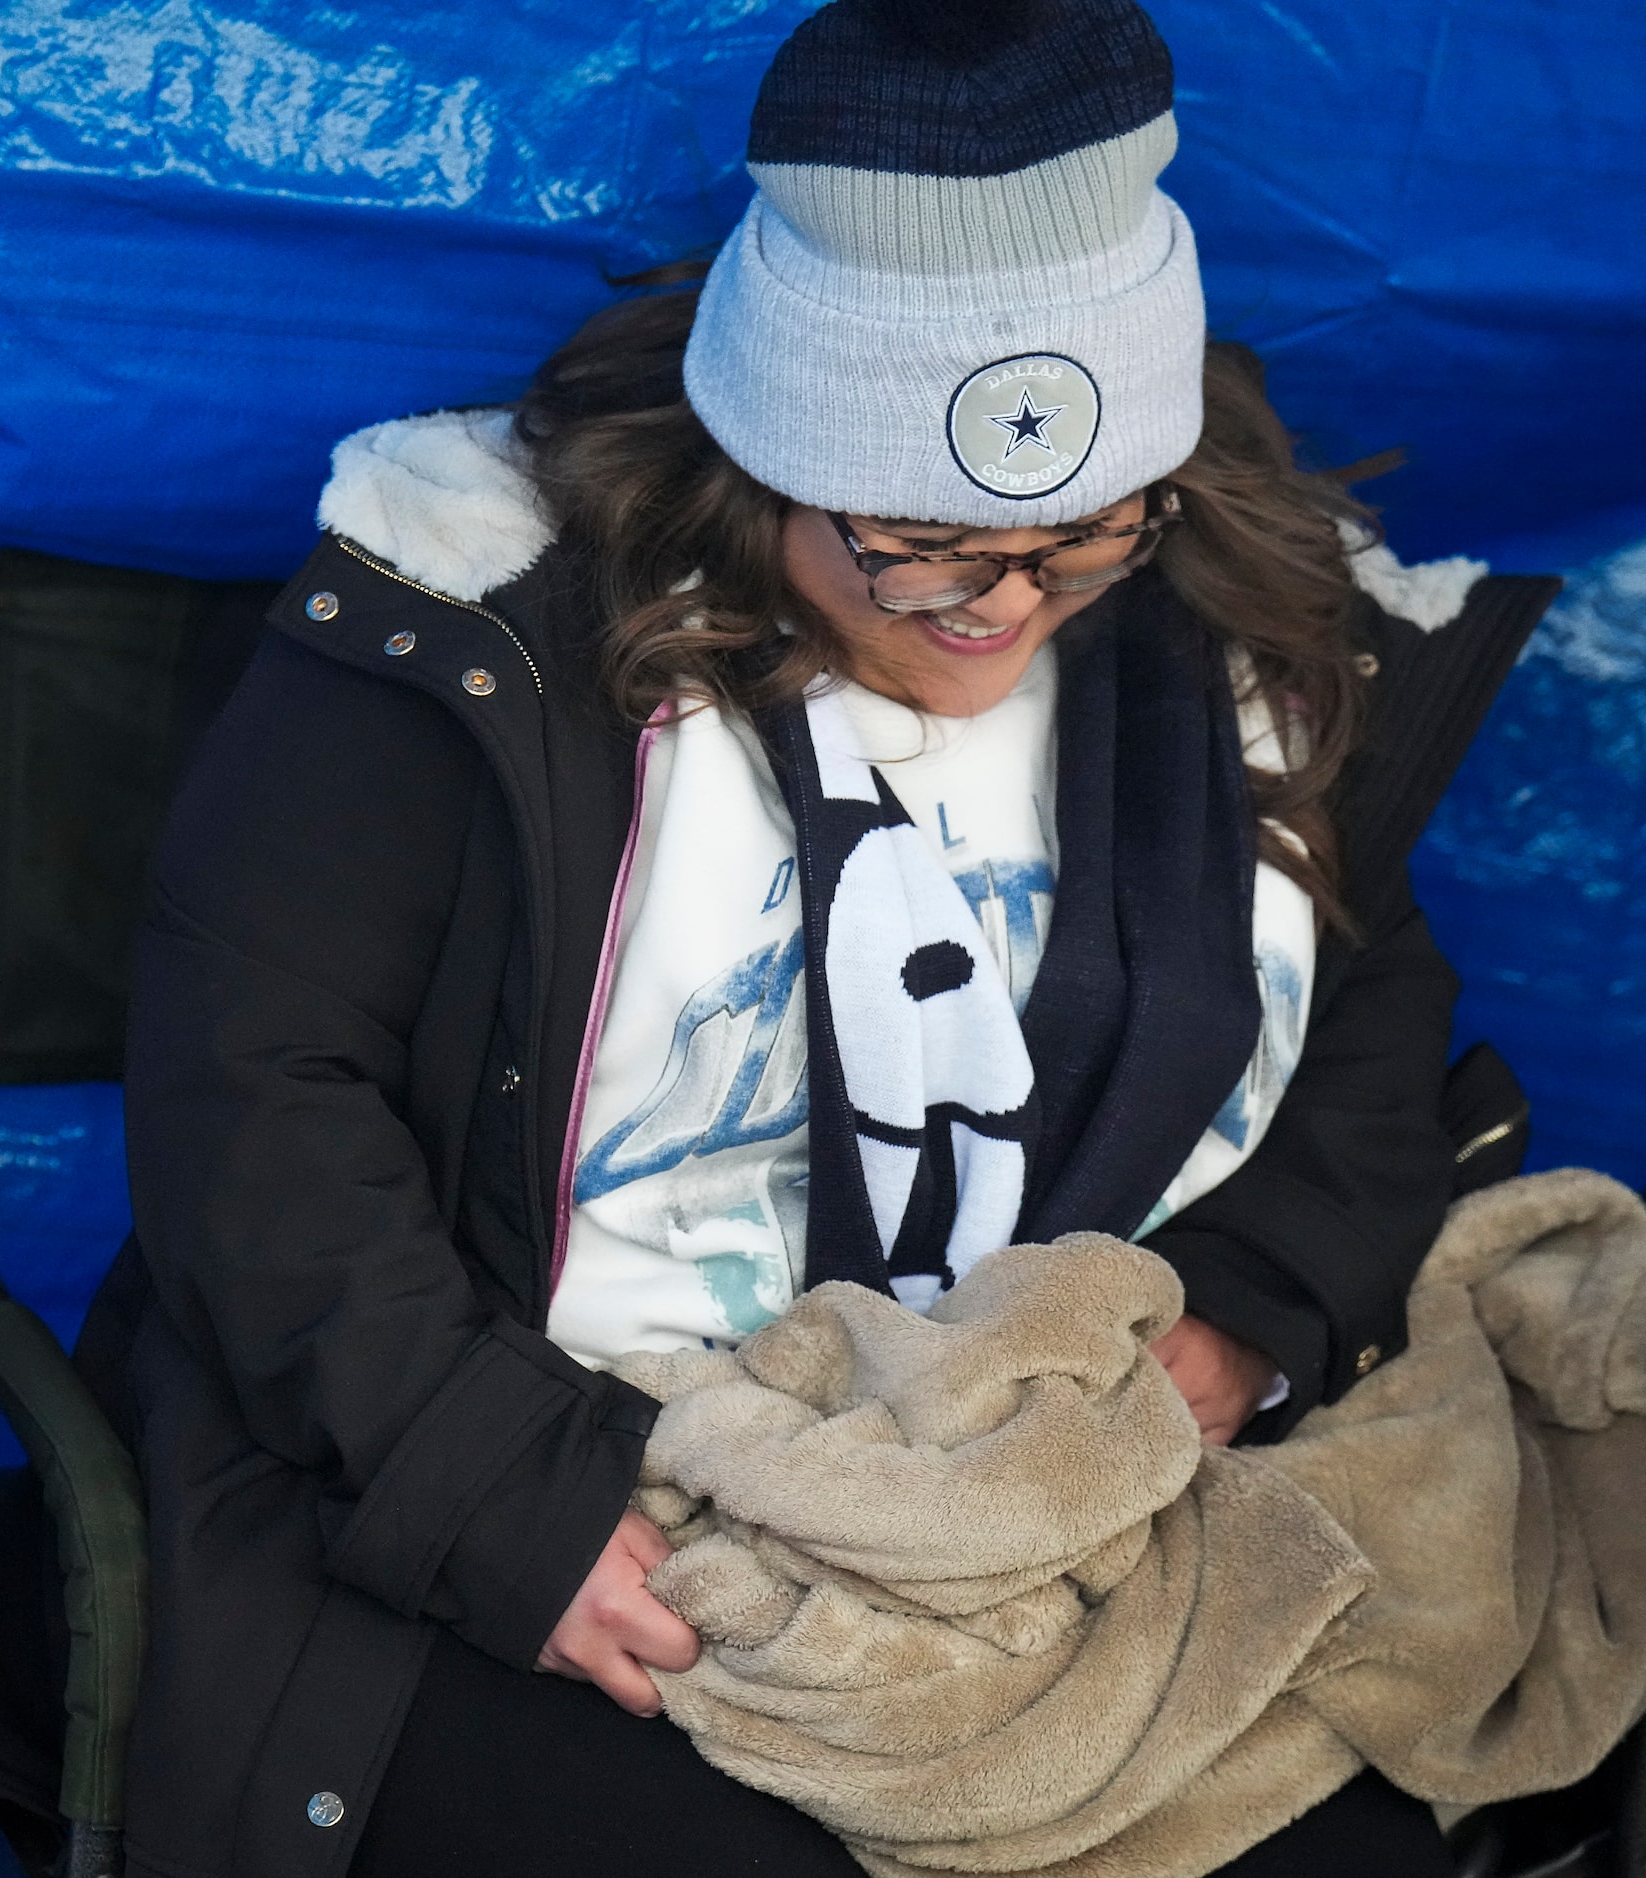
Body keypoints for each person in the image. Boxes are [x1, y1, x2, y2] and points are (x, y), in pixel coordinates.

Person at [96, 0, 1536, 1871]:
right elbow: (254, 1109)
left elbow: (1357, 1007)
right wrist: (501, 1511)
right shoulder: (479, 626)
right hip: (560, 1462)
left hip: (1051, 1486)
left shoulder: (1226, 638)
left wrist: (1251, 1313)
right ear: (764, 452)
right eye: (919, 542)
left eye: (1082, 538)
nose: (999, 605)